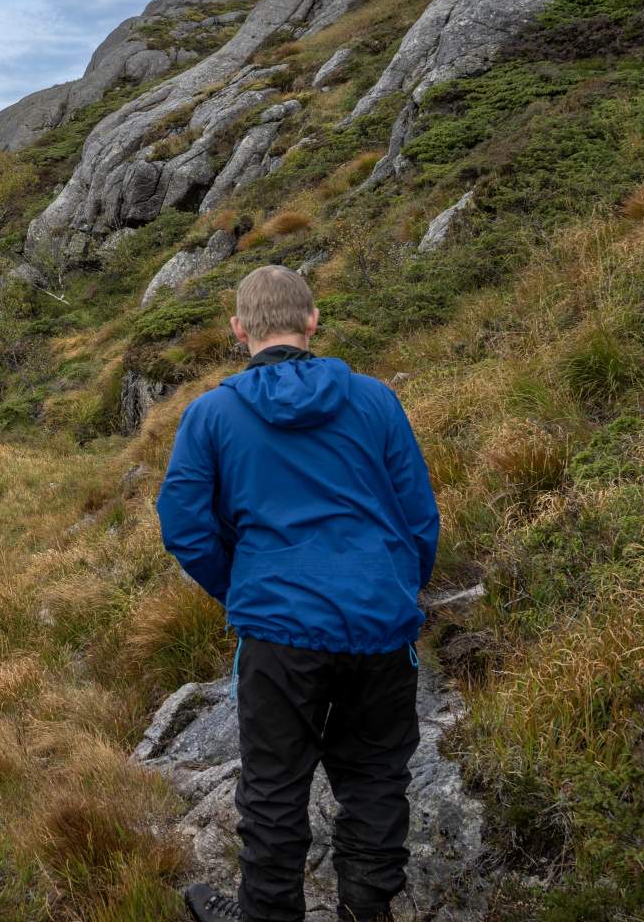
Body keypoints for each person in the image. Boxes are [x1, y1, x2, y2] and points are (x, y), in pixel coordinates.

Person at [155, 265, 440, 922]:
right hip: (380, 629)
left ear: (239, 329)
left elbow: (185, 526)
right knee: (375, 786)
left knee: (274, 793)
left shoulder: (212, 414)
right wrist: (393, 590)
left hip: (278, 637)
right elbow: (419, 518)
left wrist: (242, 590)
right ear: (311, 321)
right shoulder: (375, 401)